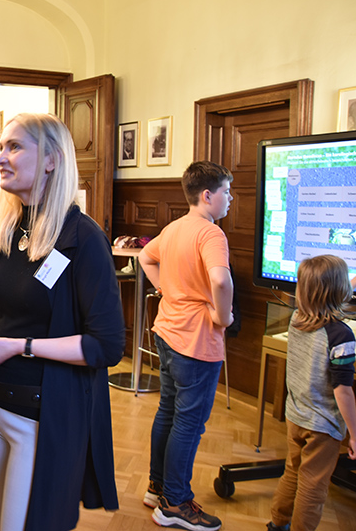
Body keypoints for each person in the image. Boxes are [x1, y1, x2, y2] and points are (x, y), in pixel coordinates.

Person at [0, 113, 125, 530]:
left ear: (52, 159)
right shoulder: (7, 228)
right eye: (1, 146)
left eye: (14, 147)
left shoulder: (83, 238)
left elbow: (105, 346)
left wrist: (21, 346)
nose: (0, 157)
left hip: (41, 414)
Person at [139, 160, 234, 531]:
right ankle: (174, 503)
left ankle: (156, 486)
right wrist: (223, 318)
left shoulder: (175, 227)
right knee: (189, 423)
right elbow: (221, 282)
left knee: (168, 411)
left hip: (166, 332)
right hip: (195, 341)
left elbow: (146, 256)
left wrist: (167, 289)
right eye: (226, 191)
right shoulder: (211, 234)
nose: (229, 199)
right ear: (207, 195)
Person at [266, 255, 356, 531]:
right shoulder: (341, 336)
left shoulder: (297, 318)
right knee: (314, 486)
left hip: (296, 415)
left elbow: (330, 296)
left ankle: (277, 522)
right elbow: (343, 390)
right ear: (341, 291)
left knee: (293, 471)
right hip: (323, 426)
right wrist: (354, 433)